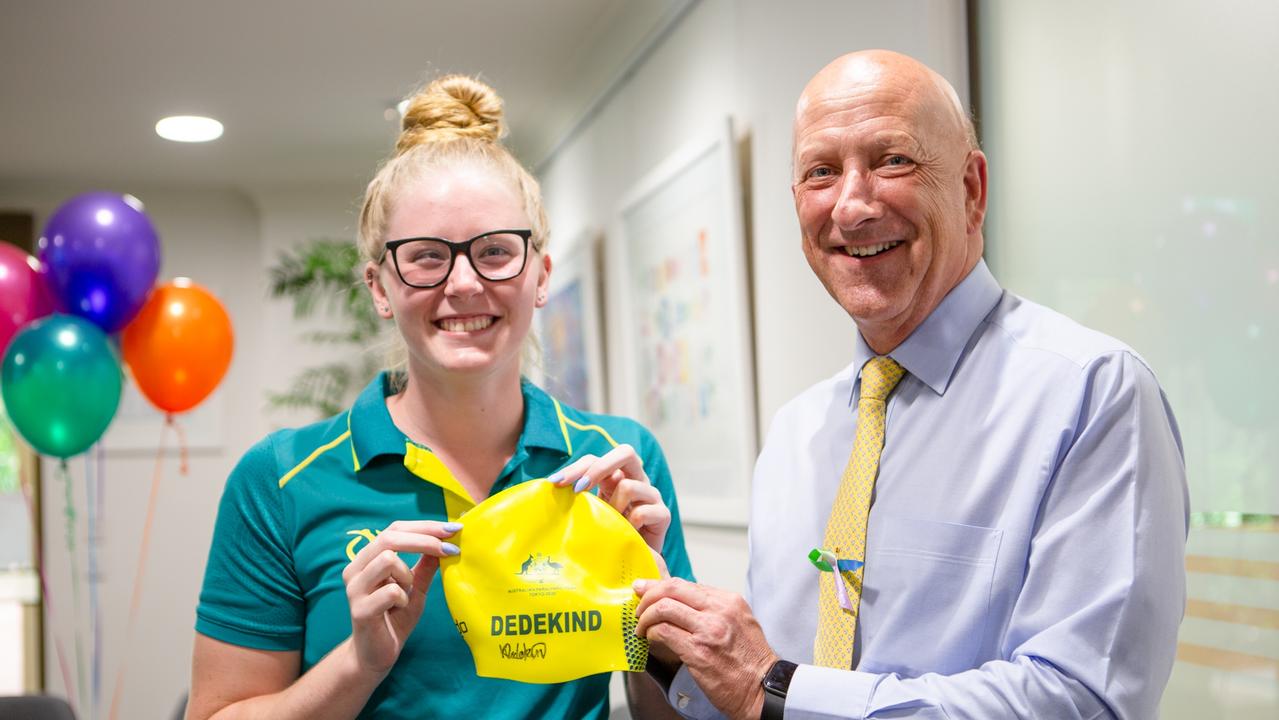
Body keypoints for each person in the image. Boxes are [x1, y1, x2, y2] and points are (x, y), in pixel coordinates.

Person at [634, 50, 1188, 719]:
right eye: (820, 172)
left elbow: (1081, 701)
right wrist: (659, 630)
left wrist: (775, 689)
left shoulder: (1092, 394)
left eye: (892, 159)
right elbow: (754, 702)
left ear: (971, 189)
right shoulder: (795, 434)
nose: (851, 205)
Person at [186, 75, 694, 720]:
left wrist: (655, 619)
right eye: (426, 256)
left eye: (495, 252)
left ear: (540, 275)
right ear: (379, 286)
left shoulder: (615, 463)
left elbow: (668, 713)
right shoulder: (280, 480)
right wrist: (360, 663)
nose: (463, 283)